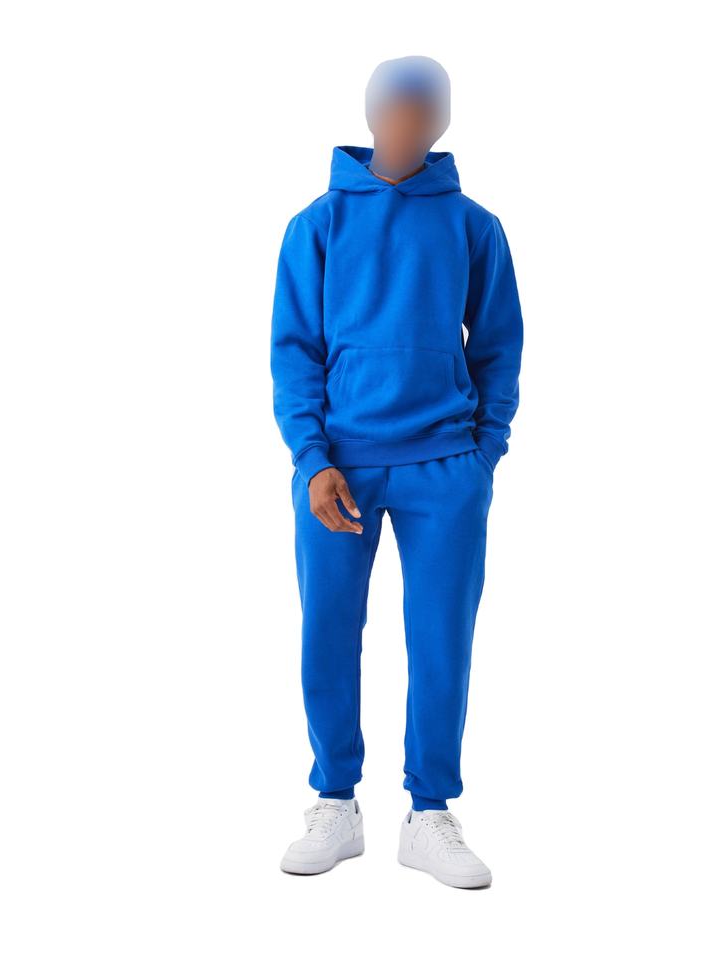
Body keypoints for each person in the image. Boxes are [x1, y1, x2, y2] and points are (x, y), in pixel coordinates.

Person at [270, 55, 523, 889]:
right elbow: (295, 354)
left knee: (442, 638)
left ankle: (430, 813)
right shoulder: (317, 225)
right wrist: (312, 459)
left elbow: (498, 345)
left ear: (441, 121)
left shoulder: (474, 226)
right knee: (327, 632)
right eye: (397, 109)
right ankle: (335, 802)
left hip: (444, 467)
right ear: (373, 114)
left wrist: (482, 455)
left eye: (425, 111)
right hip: (338, 467)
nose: (409, 124)